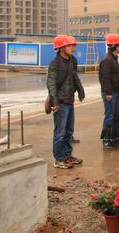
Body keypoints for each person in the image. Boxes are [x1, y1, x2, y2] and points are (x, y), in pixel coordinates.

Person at [47, 35, 85, 169]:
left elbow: (75, 77)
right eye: (69, 46)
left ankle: (67, 155)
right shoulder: (55, 63)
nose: (73, 48)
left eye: (73, 45)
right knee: (60, 133)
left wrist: (80, 91)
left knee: (69, 131)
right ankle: (59, 159)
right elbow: (51, 84)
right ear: (61, 47)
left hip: (70, 101)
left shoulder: (72, 60)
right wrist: (54, 103)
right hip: (60, 103)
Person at [99, 33, 119, 148]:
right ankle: (106, 139)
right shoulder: (107, 60)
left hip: (115, 91)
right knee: (109, 116)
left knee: (116, 115)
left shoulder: (113, 58)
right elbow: (105, 78)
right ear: (116, 47)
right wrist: (108, 92)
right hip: (110, 93)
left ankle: (114, 137)